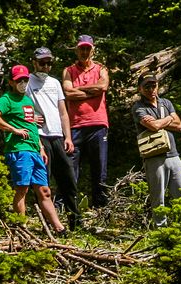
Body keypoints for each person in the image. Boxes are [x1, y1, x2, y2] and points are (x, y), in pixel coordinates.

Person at [0, 65, 67, 237]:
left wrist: (41, 147)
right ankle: (21, 229)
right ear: (11, 82)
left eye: (25, 80)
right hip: (19, 149)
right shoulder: (6, 99)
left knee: (44, 190)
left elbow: (31, 125)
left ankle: (59, 228)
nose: (22, 83)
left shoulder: (28, 100)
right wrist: (12, 129)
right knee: (22, 189)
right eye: (19, 80)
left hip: (34, 149)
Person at [27, 46, 82, 228]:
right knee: (44, 181)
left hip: (58, 135)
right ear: (34, 62)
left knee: (68, 178)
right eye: (42, 63)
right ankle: (49, 223)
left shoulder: (55, 83)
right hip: (40, 135)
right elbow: (20, 106)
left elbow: (63, 112)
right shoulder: (27, 82)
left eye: (49, 63)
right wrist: (30, 118)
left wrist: (68, 137)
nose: (46, 66)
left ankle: (75, 220)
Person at [131, 74, 181, 226]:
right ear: (140, 89)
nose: (151, 89)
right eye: (147, 87)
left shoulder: (166, 103)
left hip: (173, 154)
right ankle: (160, 230)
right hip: (154, 157)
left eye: (153, 85)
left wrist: (160, 122)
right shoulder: (138, 108)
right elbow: (153, 126)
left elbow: (179, 125)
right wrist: (169, 118)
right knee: (158, 197)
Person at [62, 34, 110, 209]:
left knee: (100, 170)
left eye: (87, 49)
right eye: (81, 48)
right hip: (75, 126)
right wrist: (92, 91)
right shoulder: (69, 70)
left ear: (93, 50)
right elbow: (68, 92)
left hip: (98, 124)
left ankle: (100, 208)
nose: (84, 52)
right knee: (71, 169)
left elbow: (103, 86)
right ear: (76, 50)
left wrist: (79, 90)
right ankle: (69, 208)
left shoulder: (101, 68)